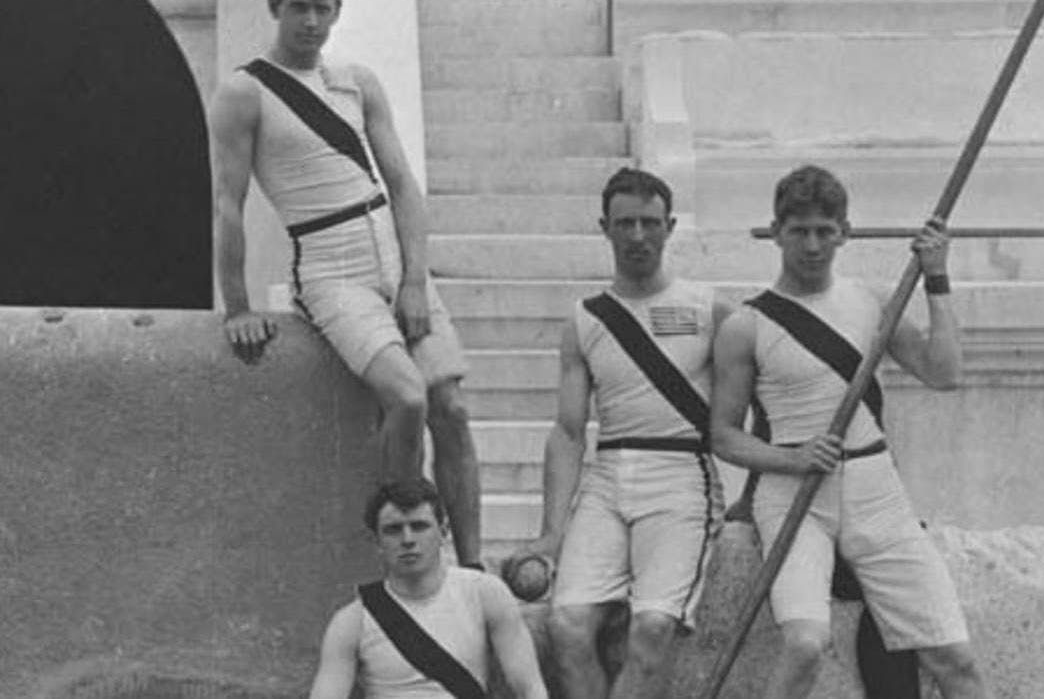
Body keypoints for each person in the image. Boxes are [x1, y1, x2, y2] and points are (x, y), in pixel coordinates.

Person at [209, 0, 482, 568]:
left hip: (392, 249)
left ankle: (471, 566)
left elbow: (404, 186)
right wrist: (237, 308)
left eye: (322, 8)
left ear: (337, 10)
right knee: (407, 398)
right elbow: (228, 204)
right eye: (298, 7)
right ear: (275, 6)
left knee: (453, 408)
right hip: (330, 266)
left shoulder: (355, 81)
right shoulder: (244, 91)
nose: (310, 21)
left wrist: (415, 278)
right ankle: (403, 547)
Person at [710, 165, 988, 698]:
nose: (813, 245)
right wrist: (792, 459)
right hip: (794, 496)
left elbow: (944, 373)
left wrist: (936, 277)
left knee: (955, 658)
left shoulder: (870, 303)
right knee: (805, 646)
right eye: (799, 231)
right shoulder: (748, 325)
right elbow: (723, 436)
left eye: (824, 231)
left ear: (845, 232)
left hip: (876, 491)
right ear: (775, 232)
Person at [516, 168, 730, 699]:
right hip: (608, 475)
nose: (638, 236)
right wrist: (551, 530)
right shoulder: (585, 319)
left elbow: (763, 396)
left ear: (670, 226)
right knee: (566, 627)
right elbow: (568, 432)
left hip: (682, 476)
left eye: (650, 223)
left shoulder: (711, 310)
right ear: (604, 228)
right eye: (626, 223)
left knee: (653, 629)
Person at [308, 479, 548, 699]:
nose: (408, 539)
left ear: (443, 532)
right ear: (377, 542)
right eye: (394, 529)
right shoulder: (352, 622)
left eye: (419, 526)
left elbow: (530, 688)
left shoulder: (484, 593)